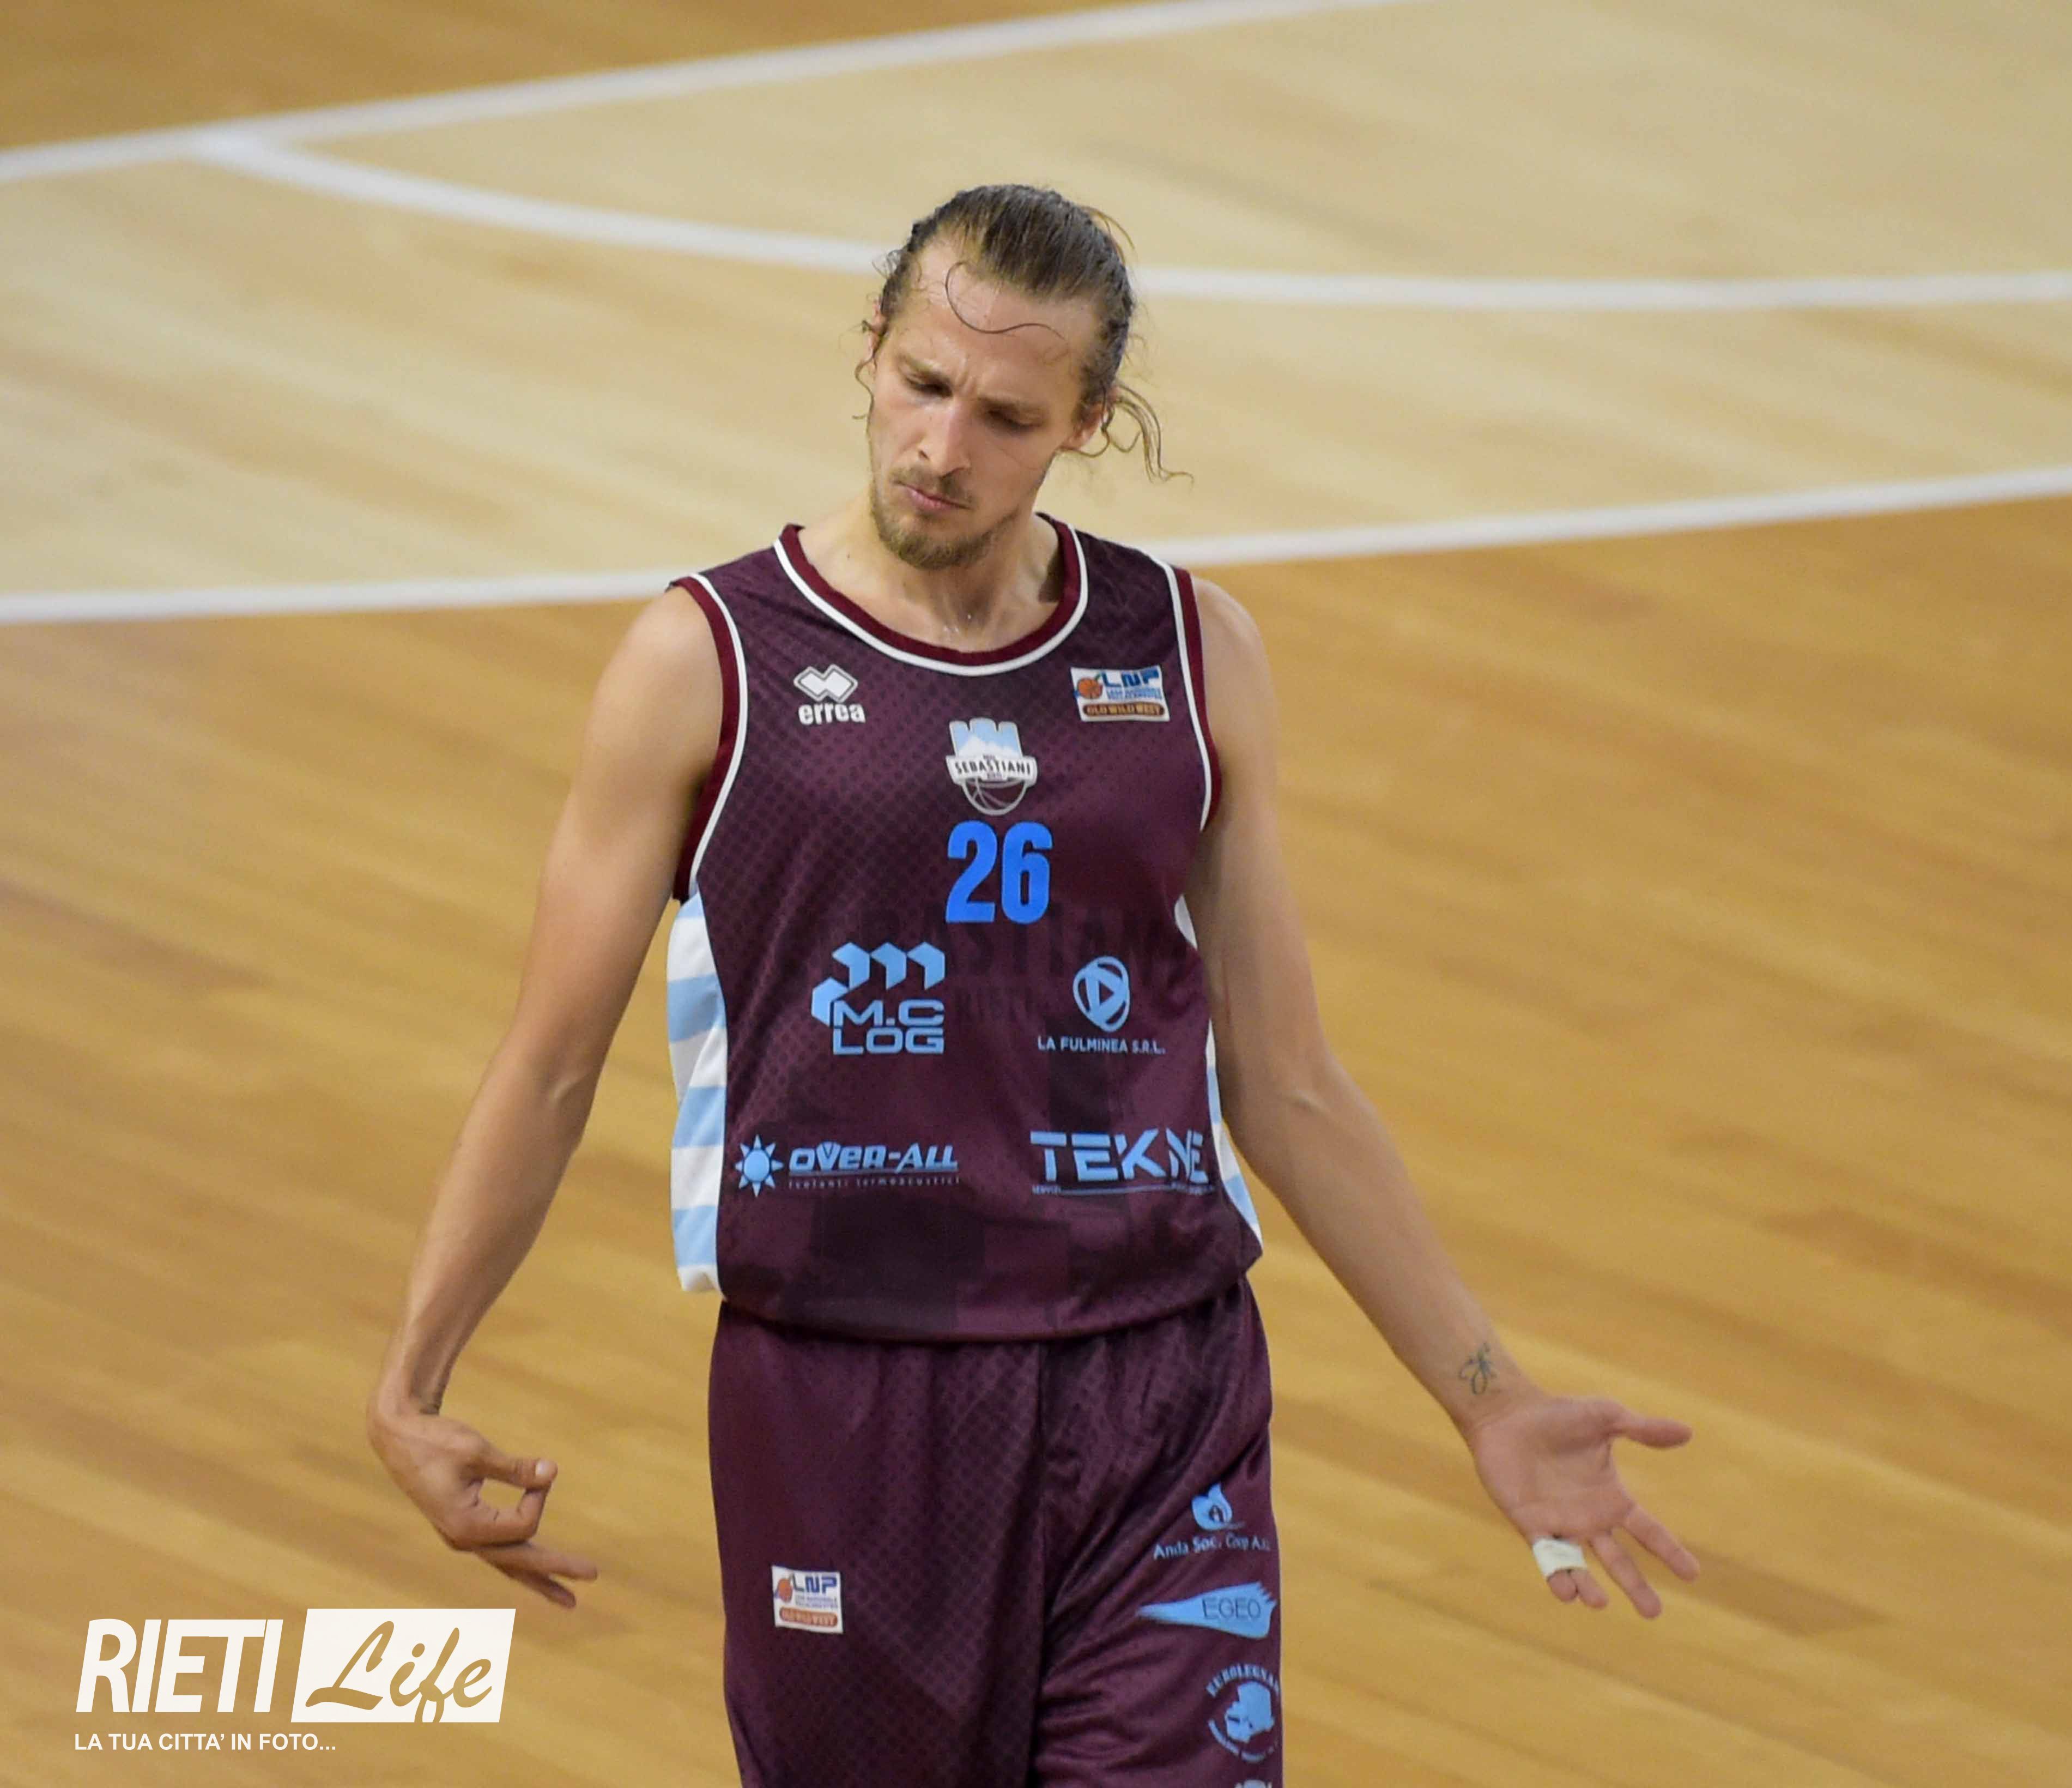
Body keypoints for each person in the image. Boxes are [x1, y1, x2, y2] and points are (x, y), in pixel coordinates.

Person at [365, 183, 1698, 1786]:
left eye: (1005, 416)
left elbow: (1286, 1082)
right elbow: (548, 1067)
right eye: (922, 384)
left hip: (1163, 1391)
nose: (944, 447)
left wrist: (1490, 1397)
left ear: (1088, 422)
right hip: (850, 1398)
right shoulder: (705, 660)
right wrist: (412, 1382)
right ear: (870, 353)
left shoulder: (1190, 653)